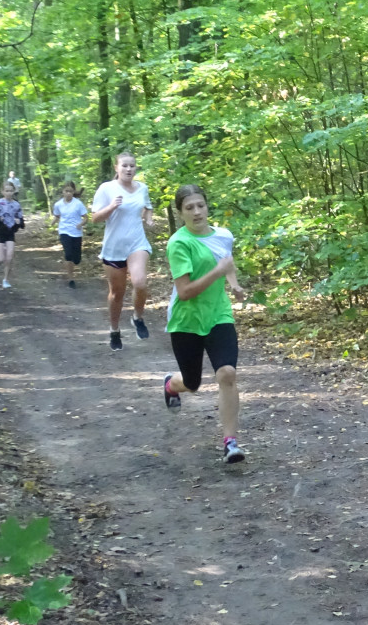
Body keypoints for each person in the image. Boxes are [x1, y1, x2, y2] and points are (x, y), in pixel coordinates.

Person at [162, 184, 247, 464]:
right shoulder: (179, 243)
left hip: (218, 315)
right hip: (186, 321)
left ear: (207, 207)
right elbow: (185, 292)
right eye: (189, 208)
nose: (197, 212)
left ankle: (230, 442)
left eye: (201, 205)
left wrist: (233, 284)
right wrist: (218, 273)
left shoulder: (223, 235)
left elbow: (227, 261)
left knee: (227, 373)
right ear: (180, 213)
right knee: (192, 382)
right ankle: (172, 386)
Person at [91, 151, 154, 351]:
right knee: (117, 294)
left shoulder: (142, 188)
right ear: (116, 168)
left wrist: (149, 218)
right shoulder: (106, 188)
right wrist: (110, 207)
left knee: (140, 282)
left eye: (132, 166)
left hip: (137, 243)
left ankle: (137, 317)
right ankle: (114, 330)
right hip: (114, 247)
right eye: (124, 165)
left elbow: (148, 207)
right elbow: (95, 218)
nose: (129, 169)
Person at [0, 180, 24, 289]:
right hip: (0, 232)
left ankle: (5, 280)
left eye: (11, 191)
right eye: (7, 191)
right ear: (2, 191)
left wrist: (19, 221)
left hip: (10, 232)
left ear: (14, 192)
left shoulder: (16, 204)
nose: (9, 193)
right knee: (1, 258)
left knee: (10, 256)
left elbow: (20, 218)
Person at [52, 181, 88, 288]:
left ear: (73, 192)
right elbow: (57, 216)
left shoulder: (78, 204)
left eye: (70, 191)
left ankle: (75, 263)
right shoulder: (58, 204)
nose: (68, 193)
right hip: (64, 231)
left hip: (76, 233)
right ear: (63, 192)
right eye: (66, 191)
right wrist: (52, 222)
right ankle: (71, 278)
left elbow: (86, 218)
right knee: (68, 255)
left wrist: (80, 224)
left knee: (76, 259)